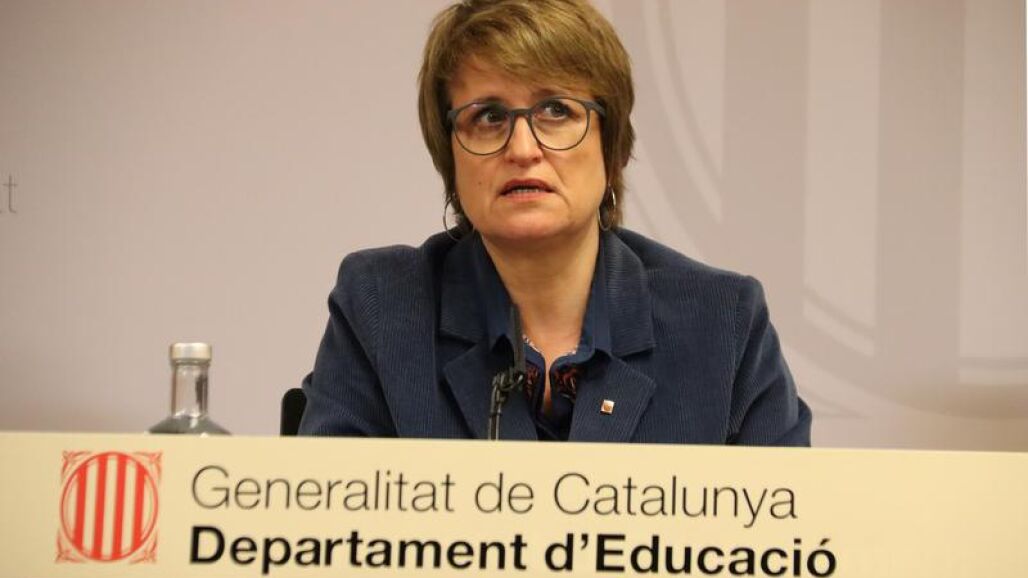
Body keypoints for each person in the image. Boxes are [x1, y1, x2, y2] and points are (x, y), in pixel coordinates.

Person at [298, 0, 811, 444]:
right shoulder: (382, 310)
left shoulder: (722, 325)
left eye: (556, 111)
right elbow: (328, 519)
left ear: (612, 147)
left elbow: (791, 519)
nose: (523, 149)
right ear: (450, 158)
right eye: (488, 117)